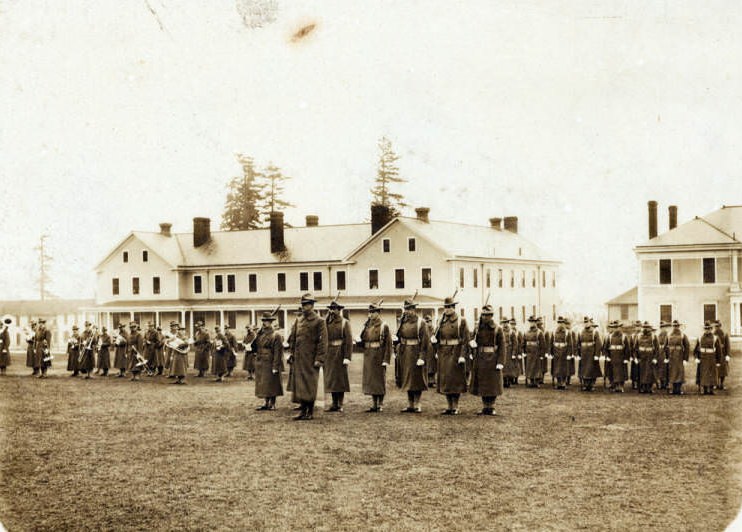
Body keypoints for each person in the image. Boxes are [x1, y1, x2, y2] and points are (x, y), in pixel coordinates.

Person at [289, 293, 327, 421]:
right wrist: (292, 354)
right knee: (300, 384)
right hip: (299, 358)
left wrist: (319, 359)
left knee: (310, 384)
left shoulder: (319, 321)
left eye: (307, 305)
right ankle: (303, 410)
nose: (304, 307)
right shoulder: (299, 320)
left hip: (311, 358)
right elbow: (294, 339)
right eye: (303, 305)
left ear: (312, 305)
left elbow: (323, 342)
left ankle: (309, 411)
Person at [433, 296, 470, 415]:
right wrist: (435, 344)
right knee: (445, 380)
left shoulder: (461, 320)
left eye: (449, 307)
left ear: (454, 308)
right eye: (445, 307)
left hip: (456, 352)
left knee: (455, 380)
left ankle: (455, 406)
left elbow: (465, 339)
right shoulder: (441, 320)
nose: (447, 309)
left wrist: (462, 355)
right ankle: (449, 406)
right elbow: (437, 337)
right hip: (443, 351)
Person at [395, 298, 431, 413]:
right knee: (406, 379)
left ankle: (417, 404)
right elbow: (399, 336)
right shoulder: (402, 321)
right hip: (405, 353)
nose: (407, 311)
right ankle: (410, 404)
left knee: (416, 380)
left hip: (416, 353)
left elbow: (425, 342)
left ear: (414, 309)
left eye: (410, 309)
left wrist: (421, 357)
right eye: (406, 309)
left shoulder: (421, 323)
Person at [470, 305, 505, 415]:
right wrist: (472, 344)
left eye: (487, 315)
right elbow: (472, 340)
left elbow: (502, 346)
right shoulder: (478, 328)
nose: (485, 317)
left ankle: (492, 407)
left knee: (492, 384)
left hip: (492, 358)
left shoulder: (498, 329)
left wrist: (500, 362)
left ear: (491, 316)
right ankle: (485, 406)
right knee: (483, 384)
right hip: (480, 358)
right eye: (483, 315)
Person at [357, 300, 392, 412]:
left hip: (379, 355)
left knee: (379, 380)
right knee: (371, 380)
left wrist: (386, 359)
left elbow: (388, 344)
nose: (370, 314)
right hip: (368, 355)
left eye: (373, 312)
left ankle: (380, 404)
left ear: (378, 313)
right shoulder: (367, 325)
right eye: (369, 312)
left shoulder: (383, 326)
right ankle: (374, 404)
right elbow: (363, 340)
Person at [323, 300, 353, 412]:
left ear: (339, 310)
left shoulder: (345, 323)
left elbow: (349, 341)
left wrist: (347, 357)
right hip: (329, 353)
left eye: (335, 309)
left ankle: (340, 403)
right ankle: (334, 403)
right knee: (331, 380)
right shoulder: (327, 322)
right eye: (331, 309)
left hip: (340, 353)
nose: (332, 311)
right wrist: (326, 318)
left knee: (340, 380)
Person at [252, 312, 284, 410]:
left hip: (270, 361)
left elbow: (278, 352)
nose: (265, 323)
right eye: (264, 321)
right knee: (264, 383)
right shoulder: (260, 334)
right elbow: (254, 347)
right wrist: (257, 334)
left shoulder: (276, 335)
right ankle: (266, 403)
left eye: (267, 321)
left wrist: (275, 366)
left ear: (271, 322)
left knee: (272, 383)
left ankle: (272, 404)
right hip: (261, 361)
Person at [695, 321, 722, 395]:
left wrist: (718, 361)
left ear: (711, 329)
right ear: (704, 329)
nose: (707, 330)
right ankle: (704, 389)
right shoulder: (700, 337)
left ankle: (711, 389)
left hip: (712, 357)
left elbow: (719, 350)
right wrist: (696, 357)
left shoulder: (715, 338)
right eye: (706, 329)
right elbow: (696, 349)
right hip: (703, 357)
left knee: (712, 373)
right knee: (704, 374)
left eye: (709, 328)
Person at [605, 321, 631, 392]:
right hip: (612, 357)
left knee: (621, 372)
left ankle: (621, 386)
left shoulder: (623, 336)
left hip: (621, 357)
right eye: (614, 327)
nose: (616, 329)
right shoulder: (610, 337)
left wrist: (626, 358)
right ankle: (614, 385)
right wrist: (607, 356)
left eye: (617, 327)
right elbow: (606, 347)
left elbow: (627, 348)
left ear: (620, 328)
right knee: (613, 372)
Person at [577, 318, 602, 391]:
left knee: (592, 369)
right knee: (584, 369)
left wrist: (597, 355)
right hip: (583, 353)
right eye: (584, 322)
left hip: (591, 353)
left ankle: (592, 384)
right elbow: (578, 344)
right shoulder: (581, 332)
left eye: (587, 322)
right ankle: (585, 384)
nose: (586, 324)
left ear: (590, 323)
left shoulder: (594, 332)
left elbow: (598, 344)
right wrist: (578, 354)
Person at [666, 320, 690, 395]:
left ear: (679, 326)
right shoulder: (669, 335)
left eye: (677, 326)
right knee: (672, 372)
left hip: (679, 356)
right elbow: (665, 346)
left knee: (679, 372)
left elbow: (687, 346)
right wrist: (666, 357)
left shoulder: (683, 335)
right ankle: (673, 389)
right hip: (671, 356)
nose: (675, 327)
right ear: (672, 326)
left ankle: (678, 389)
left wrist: (685, 359)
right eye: (674, 326)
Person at [635, 322, 659, 394]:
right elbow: (635, 348)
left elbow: (657, 348)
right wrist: (635, 357)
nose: (645, 329)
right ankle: (642, 388)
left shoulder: (653, 336)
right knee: (641, 373)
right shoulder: (638, 336)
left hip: (650, 357)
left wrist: (655, 358)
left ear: (649, 328)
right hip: (641, 356)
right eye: (644, 327)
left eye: (647, 327)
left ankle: (649, 388)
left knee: (649, 373)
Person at [549, 317, 572, 390]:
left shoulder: (567, 332)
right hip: (556, 351)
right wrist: (550, 352)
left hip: (564, 352)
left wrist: (569, 354)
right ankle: (558, 382)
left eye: (562, 323)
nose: (560, 324)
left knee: (564, 368)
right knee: (557, 368)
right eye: (559, 323)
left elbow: (570, 344)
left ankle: (563, 383)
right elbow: (551, 342)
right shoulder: (554, 332)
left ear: (563, 324)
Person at [523, 316, 546, 388]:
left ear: (535, 323)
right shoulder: (526, 332)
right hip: (529, 352)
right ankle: (531, 381)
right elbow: (523, 342)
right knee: (529, 367)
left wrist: (542, 354)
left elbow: (543, 344)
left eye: (533, 322)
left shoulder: (539, 332)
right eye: (530, 322)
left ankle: (536, 381)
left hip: (536, 352)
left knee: (536, 367)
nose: (531, 323)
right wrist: (523, 351)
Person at [714, 320, 731, 390]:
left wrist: (728, 355)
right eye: (716, 326)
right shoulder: (713, 335)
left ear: (720, 326)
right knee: (715, 370)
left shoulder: (724, 334)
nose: (717, 328)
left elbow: (728, 345)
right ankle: (716, 384)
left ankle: (721, 384)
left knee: (723, 370)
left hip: (723, 354)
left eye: (718, 326)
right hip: (715, 354)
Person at [424, 315, 437, 388]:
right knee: (427, 366)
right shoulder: (423, 330)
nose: (429, 323)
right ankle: (427, 381)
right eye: (427, 322)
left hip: (432, 349)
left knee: (433, 366)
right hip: (426, 349)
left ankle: (432, 381)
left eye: (430, 321)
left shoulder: (434, 330)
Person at [656, 321, 670, 390]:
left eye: (663, 327)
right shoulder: (658, 335)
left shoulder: (668, 335)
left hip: (665, 351)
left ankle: (666, 383)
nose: (662, 328)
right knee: (660, 368)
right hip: (660, 351)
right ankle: (661, 383)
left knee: (665, 367)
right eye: (661, 327)